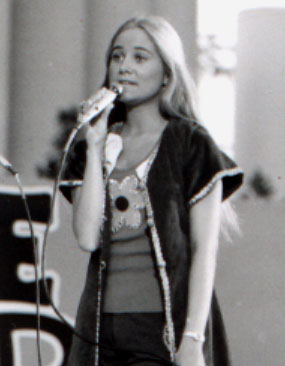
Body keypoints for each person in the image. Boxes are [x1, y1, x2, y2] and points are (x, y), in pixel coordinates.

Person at [59, 15, 243, 366]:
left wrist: (192, 339)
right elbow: (87, 237)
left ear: (167, 74)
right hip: (100, 331)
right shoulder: (95, 146)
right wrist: (96, 147)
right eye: (117, 56)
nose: (124, 66)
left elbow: (205, 249)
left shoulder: (191, 143)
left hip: (163, 328)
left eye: (140, 57)